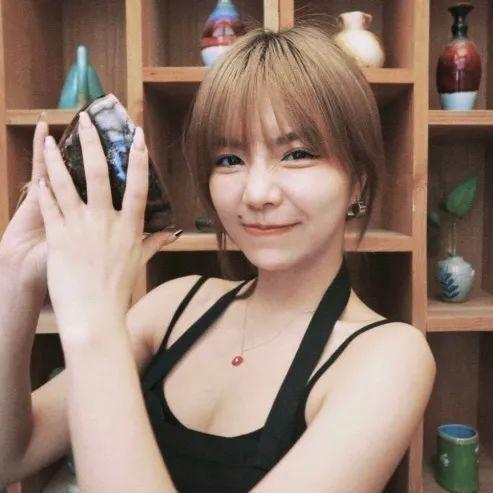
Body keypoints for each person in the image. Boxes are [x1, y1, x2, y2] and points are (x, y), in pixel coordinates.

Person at [0, 22, 436, 493]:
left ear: (357, 183)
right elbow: (11, 456)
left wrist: (95, 325)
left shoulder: (389, 358)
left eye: (297, 154)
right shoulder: (172, 308)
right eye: (230, 159)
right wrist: (15, 275)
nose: (257, 193)